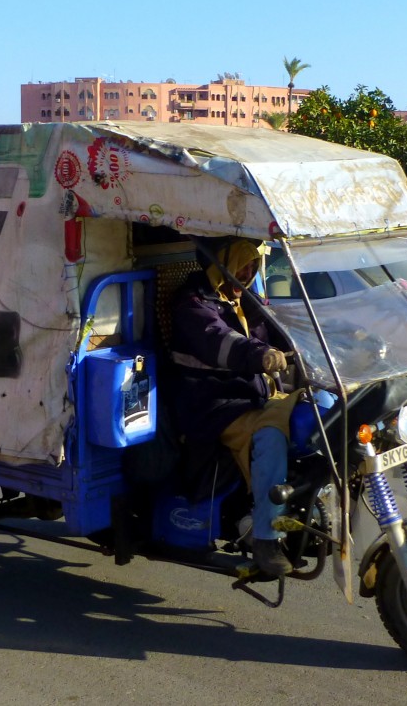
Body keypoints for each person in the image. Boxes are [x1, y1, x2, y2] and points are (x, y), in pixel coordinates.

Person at [169, 237, 297, 577]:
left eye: (253, 266)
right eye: (241, 265)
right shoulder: (192, 304)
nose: (247, 272)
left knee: (322, 410)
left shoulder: (244, 299)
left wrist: (320, 340)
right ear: (220, 264)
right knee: (271, 435)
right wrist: (261, 355)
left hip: (252, 397)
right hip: (214, 405)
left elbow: (281, 329)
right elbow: (221, 341)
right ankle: (267, 537)